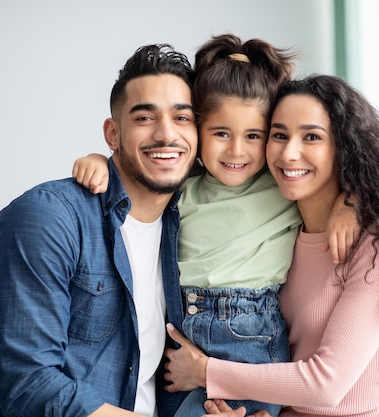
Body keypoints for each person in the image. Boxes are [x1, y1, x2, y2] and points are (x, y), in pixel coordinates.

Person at [162, 74, 379, 417]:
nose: (289, 152)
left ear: (345, 148)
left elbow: (325, 384)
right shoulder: (280, 229)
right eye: (279, 135)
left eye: (311, 137)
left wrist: (205, 372)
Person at [72, 35, 359, 417]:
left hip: (250, 342)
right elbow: (137, 170)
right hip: (183, 336)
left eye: (253, 136)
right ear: (198, 131)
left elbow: (341, 180)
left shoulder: (279, 187)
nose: (237, 150)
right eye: (221, 133)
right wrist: (98, 159)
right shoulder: (182, 186)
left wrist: (350, 204)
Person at [0, 44, 198, 417]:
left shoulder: (190, 224)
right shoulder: (46, 219)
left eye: (182, 118)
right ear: (112, 134)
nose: (166, 134)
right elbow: (30, 386)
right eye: (145, 117)